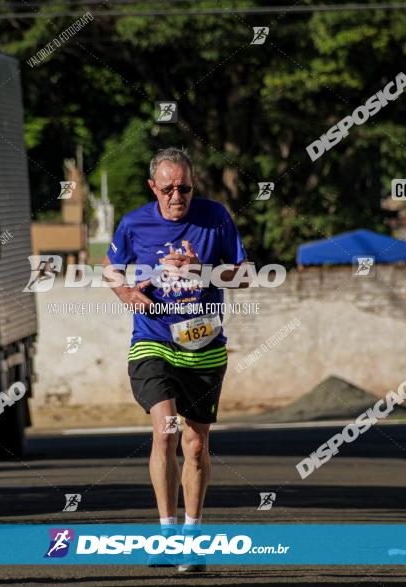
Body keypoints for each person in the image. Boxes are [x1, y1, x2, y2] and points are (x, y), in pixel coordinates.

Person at [103, 147, 249, 571]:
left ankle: (193, 536)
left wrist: (204, 269)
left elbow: (243, 274)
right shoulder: (133, 223)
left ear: (193, 185)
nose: (176, 196)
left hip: (203, 346)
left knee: (197, 444)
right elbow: (111, 268)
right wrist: (127, 293)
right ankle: (166, 534)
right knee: (166, 431)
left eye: (184, 188)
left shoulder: (215, 217)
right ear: (154, 187)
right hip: (153, 342)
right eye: (167, 189)